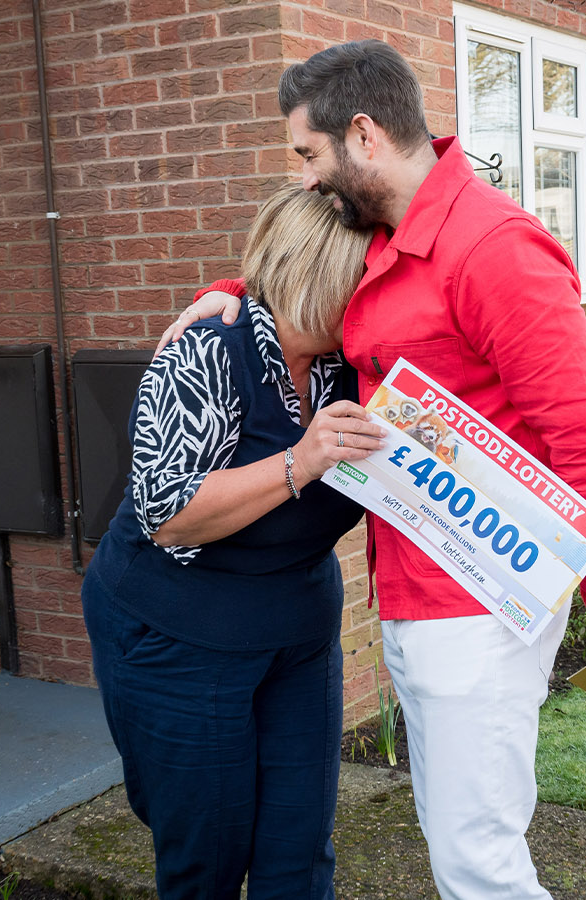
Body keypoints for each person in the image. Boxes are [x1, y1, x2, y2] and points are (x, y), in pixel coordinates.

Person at [161, 40, 586, 900]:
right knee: (453, 834)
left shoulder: (495, 249)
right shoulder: (387, 233)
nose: (306, 177)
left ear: (362, 134)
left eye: (309, 153)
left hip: (481, 598)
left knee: (478, 857)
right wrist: (236, 291)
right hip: (412, 586)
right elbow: (315, 278)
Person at [81, 184, 386, 900]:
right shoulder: (208, 349)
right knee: (207, 858)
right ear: (323, 277)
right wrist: (299, 461)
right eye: (367, 277)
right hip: (176, 634)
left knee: (298, 851)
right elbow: (169, 513)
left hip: (296, 631)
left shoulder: (355, 364)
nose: (381, 293)